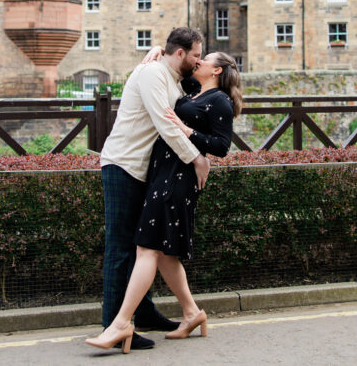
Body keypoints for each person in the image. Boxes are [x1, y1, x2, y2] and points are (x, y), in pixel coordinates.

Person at [87, 51, 243, 353]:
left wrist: (188, 132)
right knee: (164, 255)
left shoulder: (220, 100)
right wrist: (157, 48)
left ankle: (119, 324)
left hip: (178, 177)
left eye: (205, 59)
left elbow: (222, 146)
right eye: (197, 55)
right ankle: (191, 313)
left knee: (147, 249)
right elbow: (176, 61)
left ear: (217, 70)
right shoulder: (194, 90)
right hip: (162, 173)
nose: (198, 61)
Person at [96, 27, 210, 351]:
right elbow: (164, 120)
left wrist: (157, 46)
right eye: (196, 56)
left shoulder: (172, 78)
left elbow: (194, 96)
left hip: (141, 171)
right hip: (121, 165)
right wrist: (197, 158)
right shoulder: (151, 74)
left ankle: (143, 314)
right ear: (180, 54)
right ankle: (112, 325)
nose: (199, 61)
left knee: (141, 245)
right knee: (119, 247)